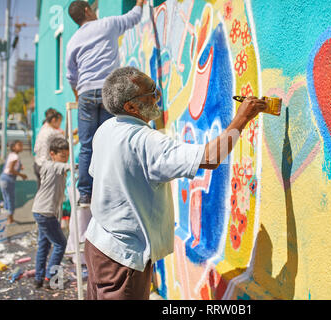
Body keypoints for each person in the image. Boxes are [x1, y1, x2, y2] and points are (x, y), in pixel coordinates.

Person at [84, 66, 268, 300]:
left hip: (99, 244)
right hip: (123, 257)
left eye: (155, 88)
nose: (158, 95)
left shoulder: (106, 129)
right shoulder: (145, 141)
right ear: (130, 106)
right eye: (150, 92)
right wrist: (242, 118)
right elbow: (210, 158)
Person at [65, 0, 144, 207]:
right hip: (109, 90)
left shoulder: (73, 41)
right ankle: (113, 189)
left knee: (86, 145)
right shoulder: (107, 24)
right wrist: (139, 3)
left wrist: (77, 95)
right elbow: (133, 17)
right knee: (110, 141)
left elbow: (71, 76)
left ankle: (85, 194)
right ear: (87, 10)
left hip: (86, 94)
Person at [31, 137, 71, 289]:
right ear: (52, 154)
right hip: (45, 213)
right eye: (62, 156)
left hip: (42, 211)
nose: (65, 159)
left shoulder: (54, 165)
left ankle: (38, 279)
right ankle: (51, 279)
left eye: (67, 156)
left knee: (44, 245)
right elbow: (69, 167)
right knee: (61, 244)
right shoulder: (51, 165)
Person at [33, 108, 64, 190]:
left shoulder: (44, 128)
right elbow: (67, 141)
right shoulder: (52, 132)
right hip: (45, 165)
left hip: (37, 162)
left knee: (41, 191)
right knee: (47, 193)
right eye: (59, 121)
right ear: (54, 120)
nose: (60, 124)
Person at [0, 140, 27, 224]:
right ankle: (10, 220)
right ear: (13, 147)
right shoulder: (15, 157)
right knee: (10, 199)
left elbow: (10, 166)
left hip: (3, 178)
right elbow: (11, 169)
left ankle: (7, 218)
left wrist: (19, 167)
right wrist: (22, 175)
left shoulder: (11, 155)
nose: (21, 147)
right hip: (8, 179)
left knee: (6, 199)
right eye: (19, 145)